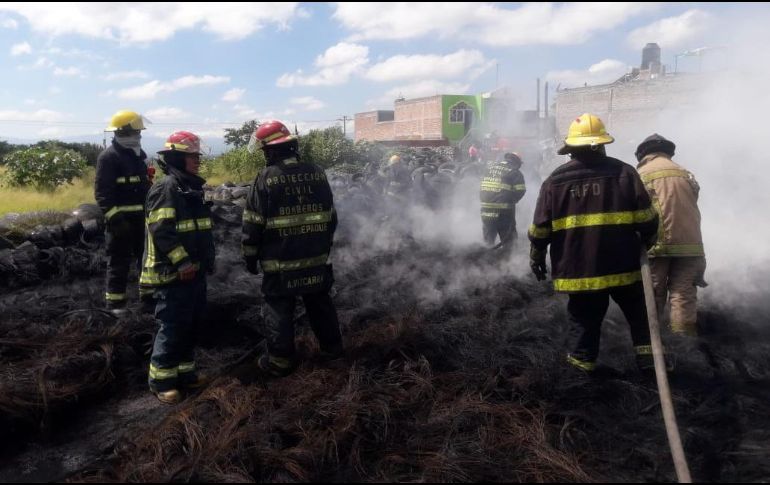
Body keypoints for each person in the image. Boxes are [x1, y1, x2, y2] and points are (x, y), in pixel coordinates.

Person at [528, 113, 659, 374]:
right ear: (601, 144)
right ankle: (649, 362)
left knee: (584, 322)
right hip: (624, 265)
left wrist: (536, 256)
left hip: (580, 270)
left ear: (571, 149)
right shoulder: (625, 173)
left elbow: (540, 228)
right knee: (640, 315)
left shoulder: (555, 181)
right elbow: (647, 218)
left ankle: (582, 369)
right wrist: (647, 240)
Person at [242, 120, 343, 377]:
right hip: (316, 258)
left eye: (265, 151)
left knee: (278, 308)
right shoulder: (317, 172)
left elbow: (253, 222)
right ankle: (333, 350)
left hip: (280, 263)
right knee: (320, 303)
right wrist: (323, 245)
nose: (265, 155)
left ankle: (280, 362)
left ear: (272, 150)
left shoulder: (266, 178)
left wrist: (250, 256)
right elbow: (330, 216)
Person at [141, 131, 215, 404]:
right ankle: (161, 382)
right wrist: (182, 261)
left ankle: (185, 374)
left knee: (191, 324)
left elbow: (199, 231)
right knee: (173, 326)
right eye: (191, 156)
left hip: (193, 272)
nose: (197, 160)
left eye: (197, 156)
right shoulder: (167, 188)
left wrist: (205, 261)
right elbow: (163, 231)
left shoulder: (189, 188)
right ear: (175, 158)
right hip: (172, 273)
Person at [635, 134, 706, 337]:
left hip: (656, 244)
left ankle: (652, 339)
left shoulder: (641, 174)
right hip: (690, 245)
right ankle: (684, 340)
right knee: (683, 294)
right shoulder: (685, 173)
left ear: (643, 153)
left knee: (653, 293)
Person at [95, 110, 150, 315]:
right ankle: (115, 305)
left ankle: (147, 299)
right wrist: (116, 220)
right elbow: (102, 194)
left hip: (141, 221)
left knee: (146, 261)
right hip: (120, 224)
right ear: (125, 131)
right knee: (118, 263)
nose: (139, 135)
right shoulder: (108, 157)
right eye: (137, 131)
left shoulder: (138, 155)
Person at [479, 152, 526, 251]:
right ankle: (510, 259)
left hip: (486, 211)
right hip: (504, 212)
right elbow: (520, 190)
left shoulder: (489, 169)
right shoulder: (514, 171)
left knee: (488, 241)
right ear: (517, 162)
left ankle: (486, 258)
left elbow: (482, 188)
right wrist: (511, 200)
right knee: (509, 241)